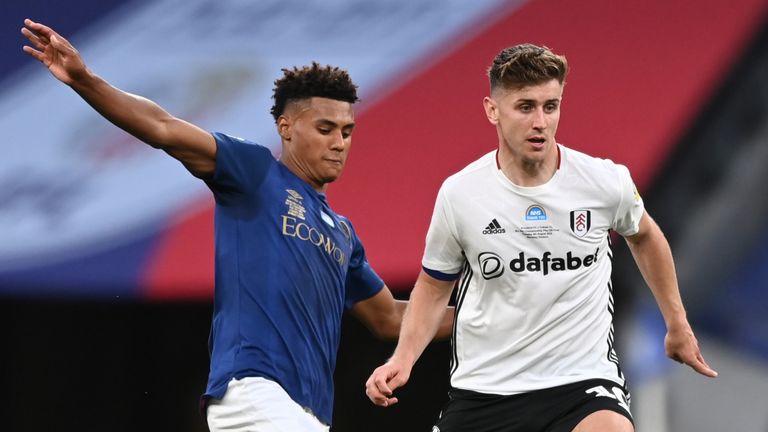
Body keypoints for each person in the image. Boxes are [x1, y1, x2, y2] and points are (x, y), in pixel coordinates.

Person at [21, 18, 453, 432]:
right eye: (325, 128)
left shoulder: (341, 234)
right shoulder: (254, 172)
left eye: (347, 130)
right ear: (286, 127)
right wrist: (84, 80)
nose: (339, 142)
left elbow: (393, 319)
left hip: (310, 413)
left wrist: (499, 314)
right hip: (255, 390)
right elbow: (163, 127)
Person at [365, 44, 718, 432]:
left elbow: (645, 235)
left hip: (581, 385)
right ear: (492, 110)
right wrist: (403, 359)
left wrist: (676, 321)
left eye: (551, 106)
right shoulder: (460, 194)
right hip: (486, 392)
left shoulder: (604, 182)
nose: (541, 122)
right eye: (526, 106)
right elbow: (433, 288)